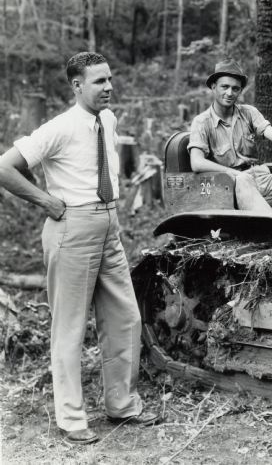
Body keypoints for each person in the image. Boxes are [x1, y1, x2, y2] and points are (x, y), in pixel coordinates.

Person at [0, 52, 158, 445]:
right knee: (69, 328)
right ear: (76, 85)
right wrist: (47, 201)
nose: (109, 87)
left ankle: (121, 404)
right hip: (72, 227)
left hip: (109, 225)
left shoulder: (107, 119)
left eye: (109, 79)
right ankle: (71, 419)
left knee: (125, 318)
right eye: (99, 81)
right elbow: (4, 167)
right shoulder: (60, 127)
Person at [188, 59, 272, 212]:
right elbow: (197, 162)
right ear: (213, 87)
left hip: (261, 177)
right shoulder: (202, 122)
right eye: (224, 87)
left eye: (235, 89)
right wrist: (234, 174)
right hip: (231, 184)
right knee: (243, 179)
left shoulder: (248, 113)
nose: (230, 93)